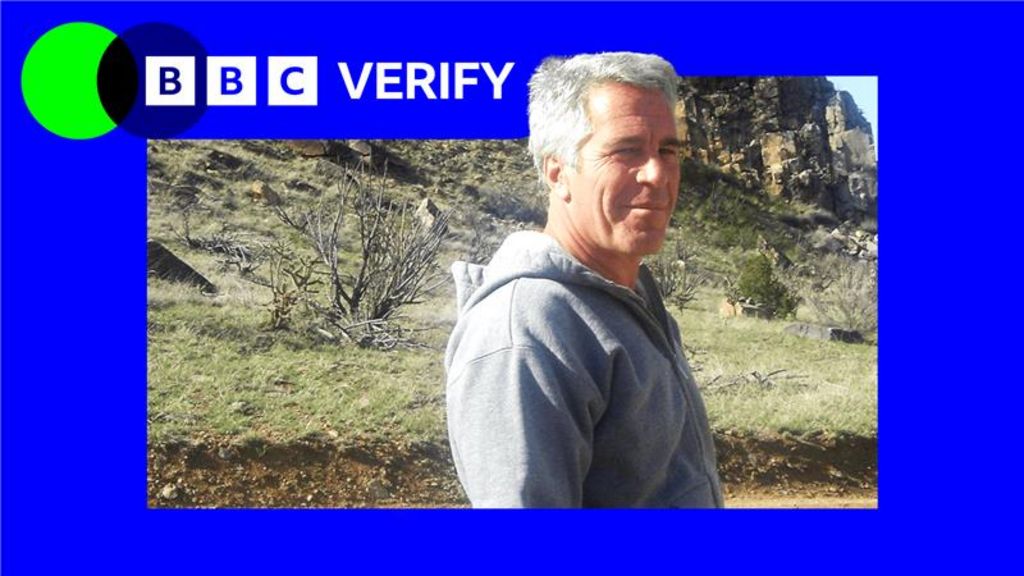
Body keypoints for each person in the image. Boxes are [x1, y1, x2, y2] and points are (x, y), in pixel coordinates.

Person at [445, 52, 723, 508]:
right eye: (626, 150)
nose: (657, 174)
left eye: (667, 151)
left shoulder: (628, 297)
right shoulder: (528, 330)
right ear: (558, 173)